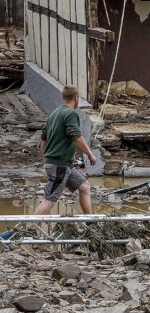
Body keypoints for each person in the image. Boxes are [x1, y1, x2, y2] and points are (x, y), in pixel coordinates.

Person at [38, 85, 94, 216]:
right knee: (49, 200)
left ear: (63, 98)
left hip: (63, 165)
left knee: (84, 187)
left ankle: (90, 222)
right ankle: (30, 227)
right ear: (76, 98)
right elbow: (77, 138)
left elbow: (43, 140)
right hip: (60, 165)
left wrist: (46, 160)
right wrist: (90, 154)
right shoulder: (70, 114)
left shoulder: (54, 114)